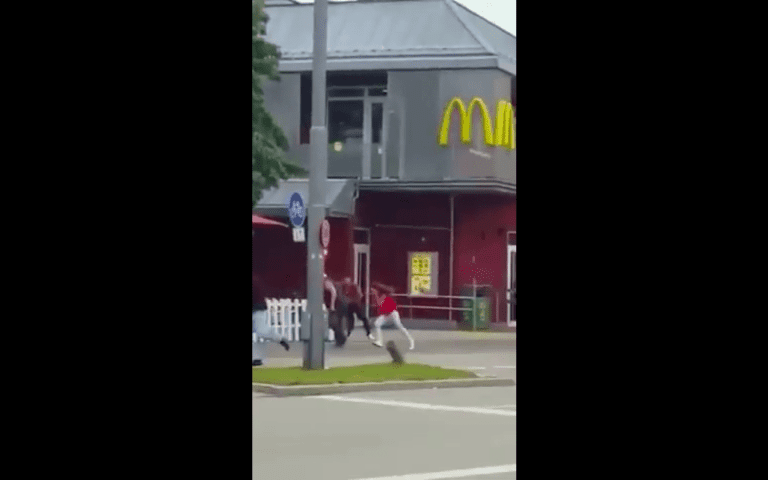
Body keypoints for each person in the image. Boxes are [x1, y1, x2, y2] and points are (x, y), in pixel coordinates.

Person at [253, 273, 289, 366]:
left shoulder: (254, 280)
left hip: (257, 309)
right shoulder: (255, 279)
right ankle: (255, 358)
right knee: (261, 331)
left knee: (262, 331)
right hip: (258, 308)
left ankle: (280, 338)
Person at [370, 282, 415, 351]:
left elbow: (380, 304)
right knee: (377, 324)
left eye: (373, 290)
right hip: (386, 314)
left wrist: (375, 294)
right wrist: (375, 295)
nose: (372, 291)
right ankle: (379, 341)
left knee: (399, 326)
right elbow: (379, 304)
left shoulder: (384, 295)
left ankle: (411, 340)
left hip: (392, 314)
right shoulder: (381, 295)